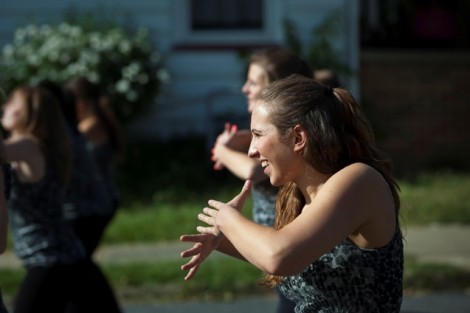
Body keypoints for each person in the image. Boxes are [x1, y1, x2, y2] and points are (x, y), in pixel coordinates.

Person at [181, 75, 404, 312]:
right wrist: (222, 241)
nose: (251, 150)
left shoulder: (360, 181)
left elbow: (278, 257)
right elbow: (304, 257)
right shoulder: (298, 195)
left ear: (298, 137)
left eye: (258, 135)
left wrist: (227, 219)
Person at [210, 47, 312, 313]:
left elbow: (252, 171)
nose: (245, 88)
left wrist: (221, 150)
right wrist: (218, 241)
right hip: (276, 254)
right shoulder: (270, 134)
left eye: (253, 82)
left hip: (292, 252)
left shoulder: (356, 179)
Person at [1, 84, 118, 313]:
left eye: (12, 103)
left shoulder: (29, 145)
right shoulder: (37, 147)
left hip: (51, 259)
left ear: (28, 113)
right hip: (63, 256)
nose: (4, 107)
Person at [37, 80, 122, 313]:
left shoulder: (88, 127)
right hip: (98, 201)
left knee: (77, 263)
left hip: (92, 204)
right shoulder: (89, 124)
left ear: (81, 103)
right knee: (80, 262)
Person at [65, 77, 123, 249]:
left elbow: (64, 147)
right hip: (100, 198)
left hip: (97, 201)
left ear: (81, 103)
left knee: (78, 256)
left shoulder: (89, 127)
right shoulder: (97, 122)